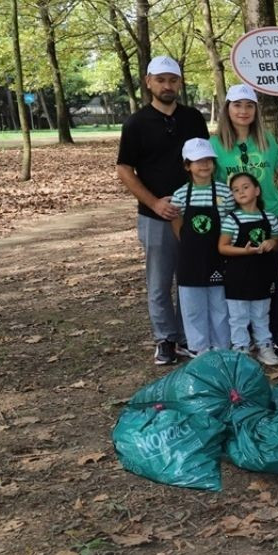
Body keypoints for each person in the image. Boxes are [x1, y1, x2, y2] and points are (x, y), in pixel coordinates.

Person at [115, 55, 209, 365]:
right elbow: (125, 169)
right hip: (156, 214)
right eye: (160, 80)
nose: (167, 86)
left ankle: (187, 336)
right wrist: (155, 202)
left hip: (194, 211)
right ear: (148, 82)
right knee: (159, 280)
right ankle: (165, 338)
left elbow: (205, 161)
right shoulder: (136, 123)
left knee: (191, 275)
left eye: (172, 80)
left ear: (180, 83)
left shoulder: (194, 118)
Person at [210, 84, 278, 355]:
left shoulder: (267, 139)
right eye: (237, 105)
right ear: (227, 109)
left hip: (269, 215)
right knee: (238, 278)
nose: (243, 111)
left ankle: (273, 335)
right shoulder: (215, 144)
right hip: (234, 221)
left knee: (270, 278)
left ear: (255, 109)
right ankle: (241, 339)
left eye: (249, 106)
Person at [170, 138, 233, 355]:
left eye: (208, 160)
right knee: (192, 306)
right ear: (188, 165)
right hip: (190, 259)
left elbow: (230, 222)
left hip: (218, 256)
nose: (204, 165)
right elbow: (176, 221)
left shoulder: (225, 193)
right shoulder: (180, 194)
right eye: (198, 161)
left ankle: (222, 346)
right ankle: (198, 348)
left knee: (219, 305)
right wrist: (188, 243)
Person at [217, 172, 278, 366]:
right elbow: (222, 246)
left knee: (261, 314)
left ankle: (265, 346)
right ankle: (241, 349)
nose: (241, 192)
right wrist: (243, 251)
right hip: (237, 276)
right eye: (236, 190)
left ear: (257, 190)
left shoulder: (269, 217)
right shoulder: (231, 220)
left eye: (245, 187)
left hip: (261, 275)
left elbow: (277, 241)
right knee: (238, 316)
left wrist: (272, 242)